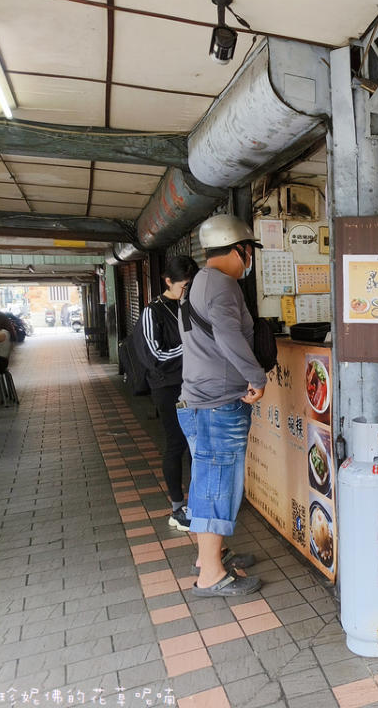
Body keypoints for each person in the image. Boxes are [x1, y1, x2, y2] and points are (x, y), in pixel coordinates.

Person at [176, 214, 267, 597]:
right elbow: (229, 336)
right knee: (217, 485)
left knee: (204, 481)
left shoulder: (198, 282)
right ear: (239, 249)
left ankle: (208, 557)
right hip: (217, 405)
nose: (250, 259)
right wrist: (257, 377)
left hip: (197, 400)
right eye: (249, 252)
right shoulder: (223, 285)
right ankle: (211, 575)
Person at [140, 256, 199, 531]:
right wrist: (190, 346)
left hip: (195, 384)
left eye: (191, 285)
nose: (186, 291)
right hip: (167, 387)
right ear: (168, 281)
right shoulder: (153, 311)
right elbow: (155, 354)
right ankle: (177, 508)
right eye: (183, 286)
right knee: (177, 444)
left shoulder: (192, 305)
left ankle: (198, 501)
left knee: (197, 444)